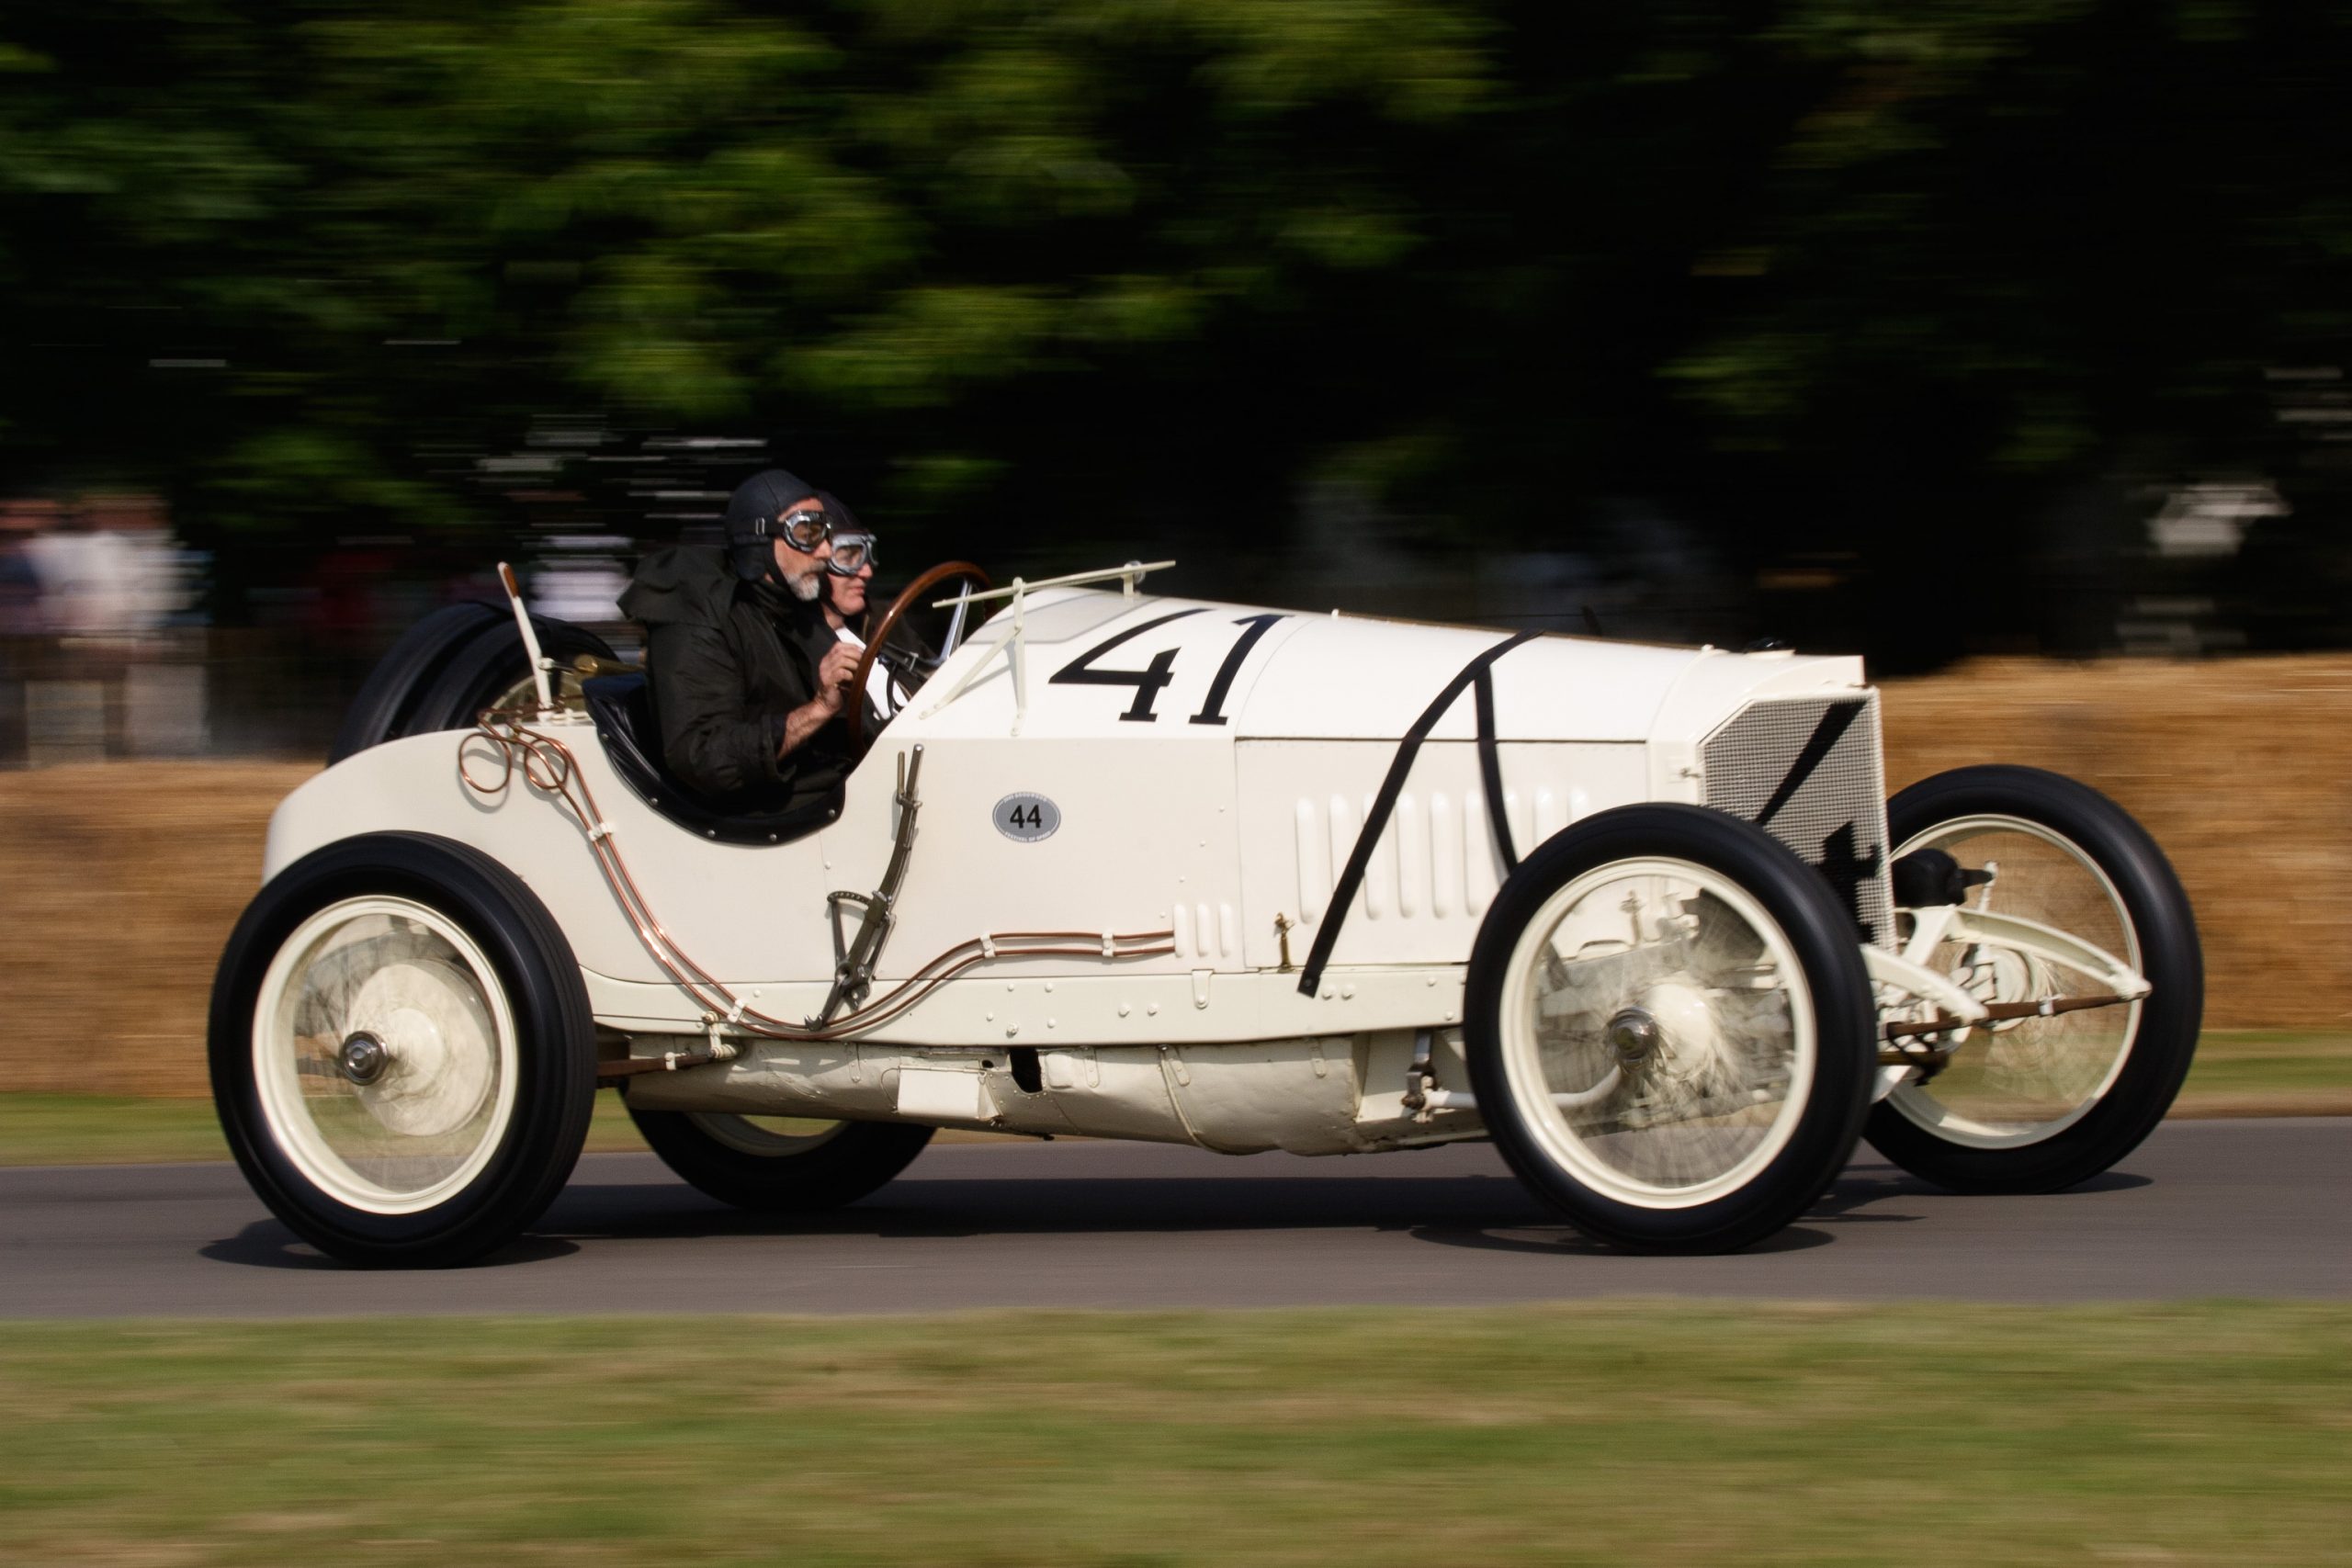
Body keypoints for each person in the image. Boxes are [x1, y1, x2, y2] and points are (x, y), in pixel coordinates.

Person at [617, 469, 866, 814]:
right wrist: (819, 708)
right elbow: (704, 756)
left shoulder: (794, 604)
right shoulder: (699, 614)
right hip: (771, 815)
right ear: (760, 540)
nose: (825, 551)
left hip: (840, 787)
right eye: (807, 533)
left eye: (825, 533)